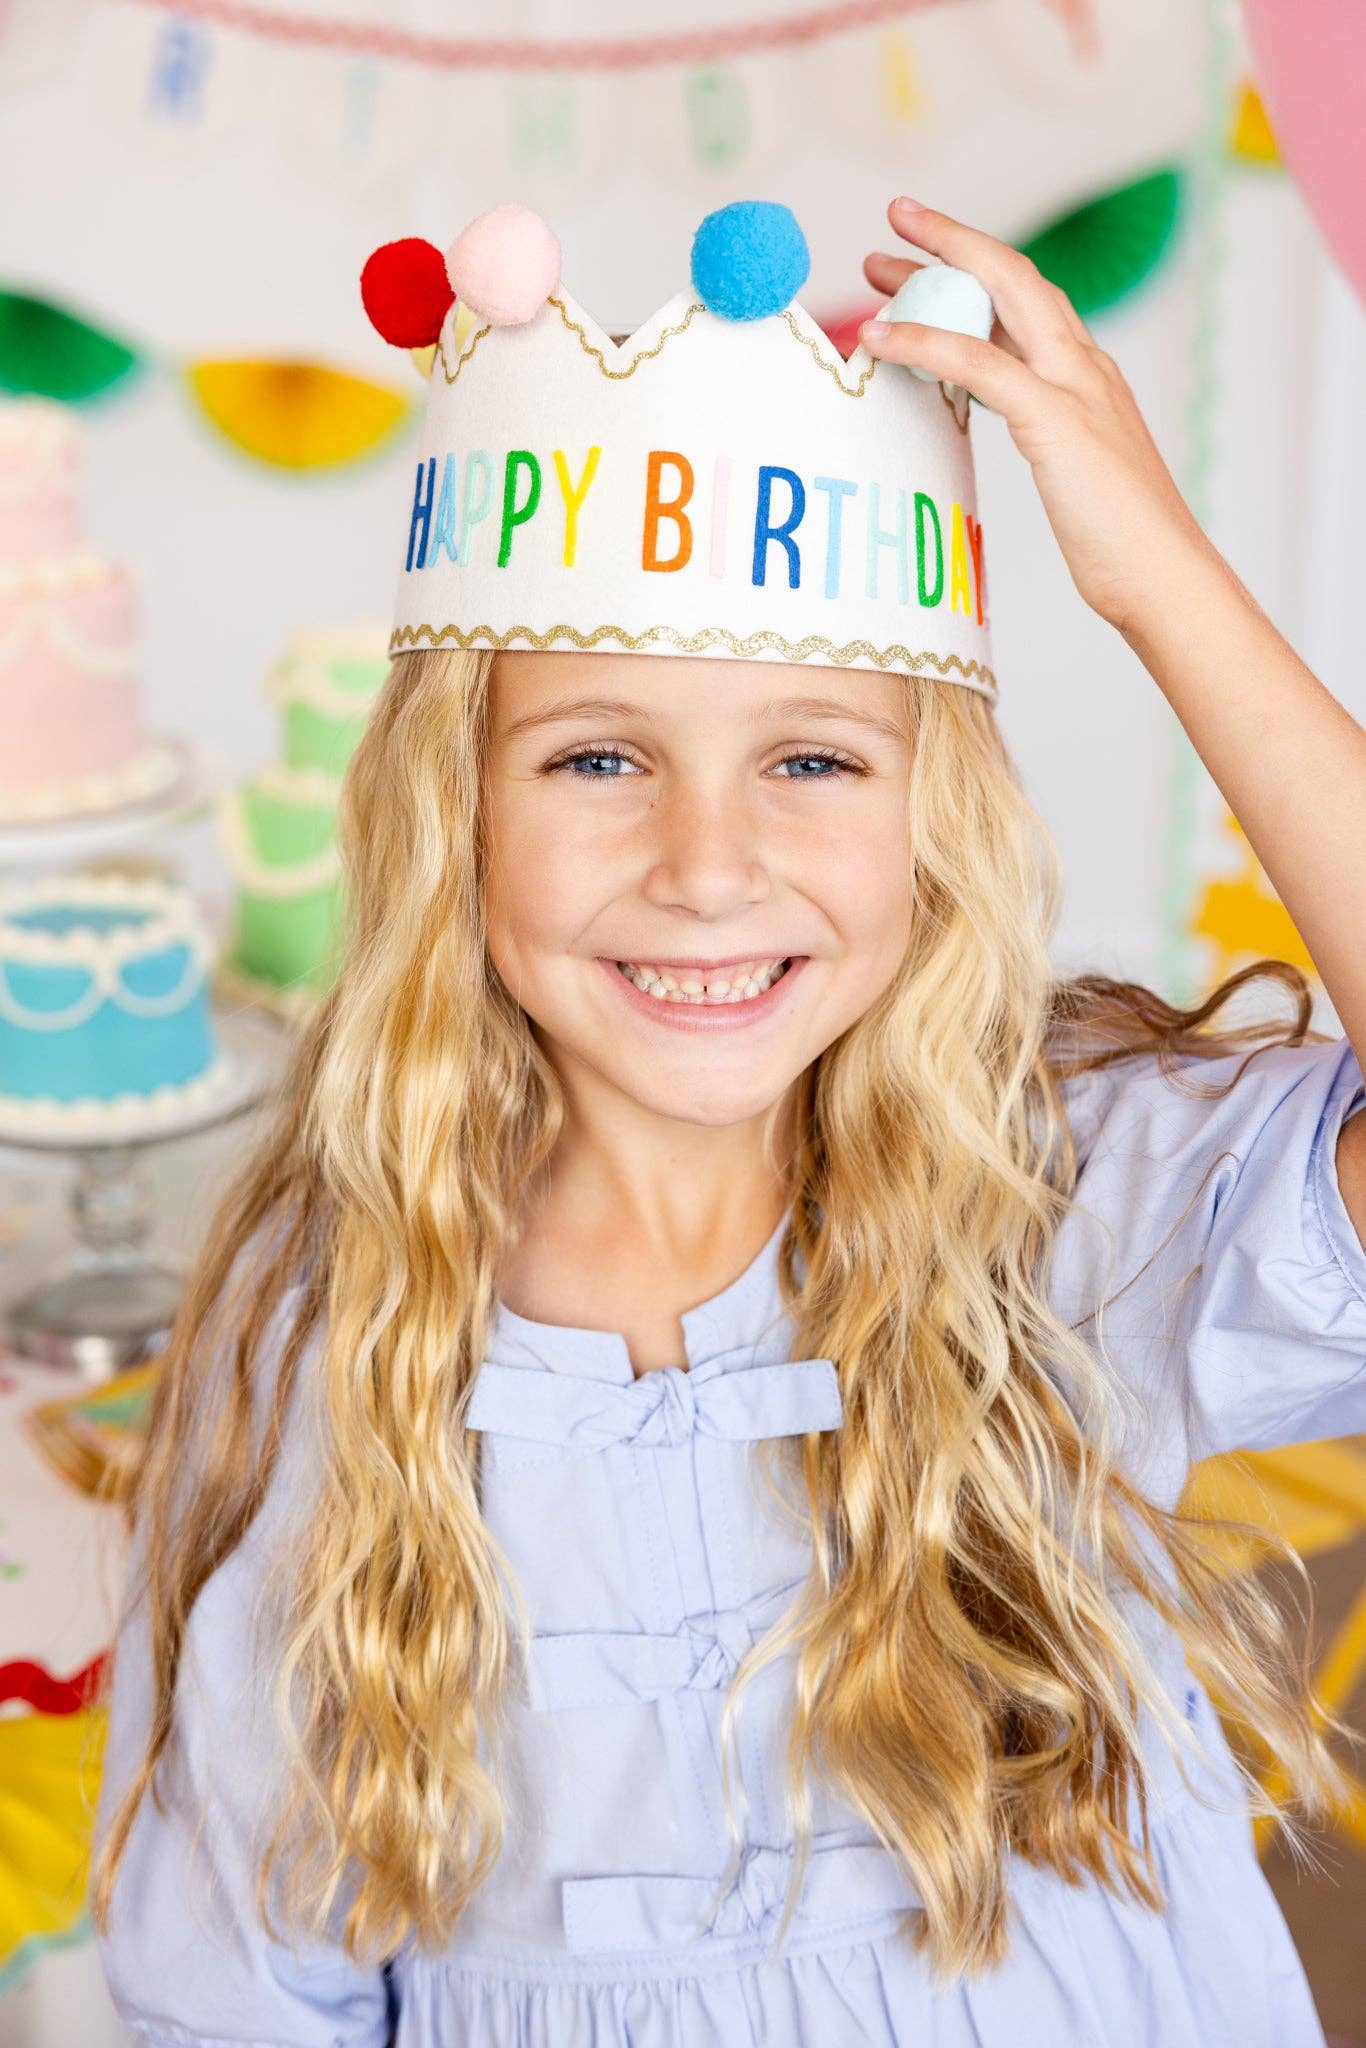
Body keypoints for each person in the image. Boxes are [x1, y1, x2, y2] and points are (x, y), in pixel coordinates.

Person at [89, 196, 1366, 2047]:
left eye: (812, 758)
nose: (707, 865)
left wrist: (1158, 584)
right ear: (455, 811)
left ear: (932, 818)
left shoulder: (1057, 1200)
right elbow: (237, 1980)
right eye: (598, 756)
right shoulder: (324, 1326)